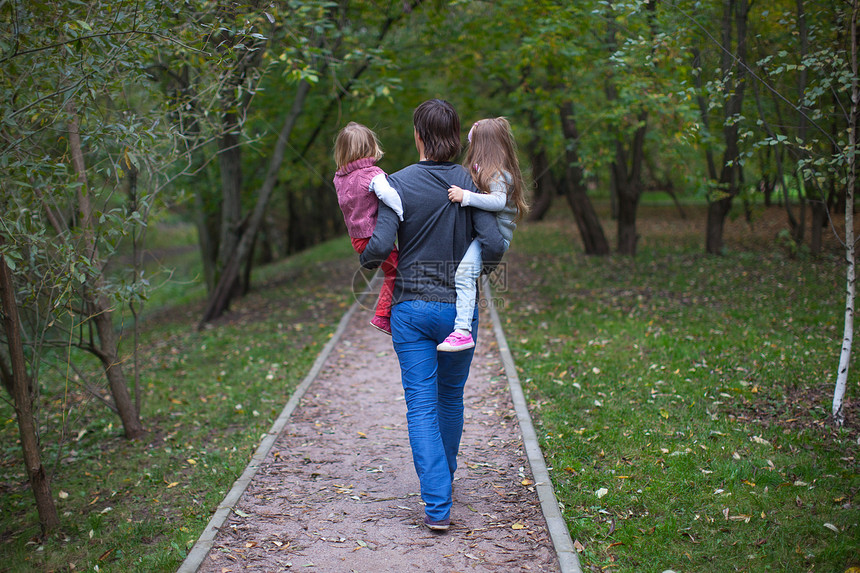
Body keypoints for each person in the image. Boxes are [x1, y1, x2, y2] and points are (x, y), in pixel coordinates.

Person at [359, 99, 506, 531]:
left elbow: (381, 245)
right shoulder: (470, 183)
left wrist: (367, 258)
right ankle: (445, 480)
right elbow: (494, 245)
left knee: (421, 405)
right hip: (458, 312)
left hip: (410, 310)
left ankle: (437, 505)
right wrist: (475, 271)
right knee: (450, 398)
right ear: (456, 137)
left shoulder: (396, 183)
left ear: (419, 136)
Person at [437, 117, 528, 352]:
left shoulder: (499, 174)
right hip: (484, 234)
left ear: (484, 146)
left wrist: (465, 196)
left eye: (474, 143)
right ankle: (461, 328)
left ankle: (462, 331)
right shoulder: (489, 170)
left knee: (465, 274)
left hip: (495, 235)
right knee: (464, 273)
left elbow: (498, 201)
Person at [333, 122, 404, 335]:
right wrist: (401, 213)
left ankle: (387, 312)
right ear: (371, 147)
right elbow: (388, 194)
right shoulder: (373, 174)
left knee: (389, 269)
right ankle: (383, 316)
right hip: (374, 236)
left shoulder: (339, 178)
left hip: (357, 239)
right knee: (396, 271)